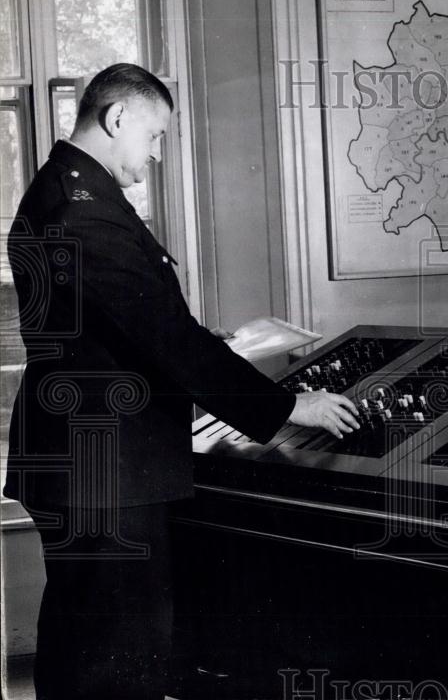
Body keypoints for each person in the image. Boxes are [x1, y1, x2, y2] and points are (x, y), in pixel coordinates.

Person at [3, 63, 359, 699]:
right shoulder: (82, 209)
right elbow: (165, 337)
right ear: (117, 119)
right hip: (106, 465)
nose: (156, 155)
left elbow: (129, 325)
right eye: (155, 136)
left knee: (86, 647)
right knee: (115, 662)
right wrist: (286, 407)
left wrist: (206, 345)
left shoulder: (74, 190)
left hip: (94, 459)